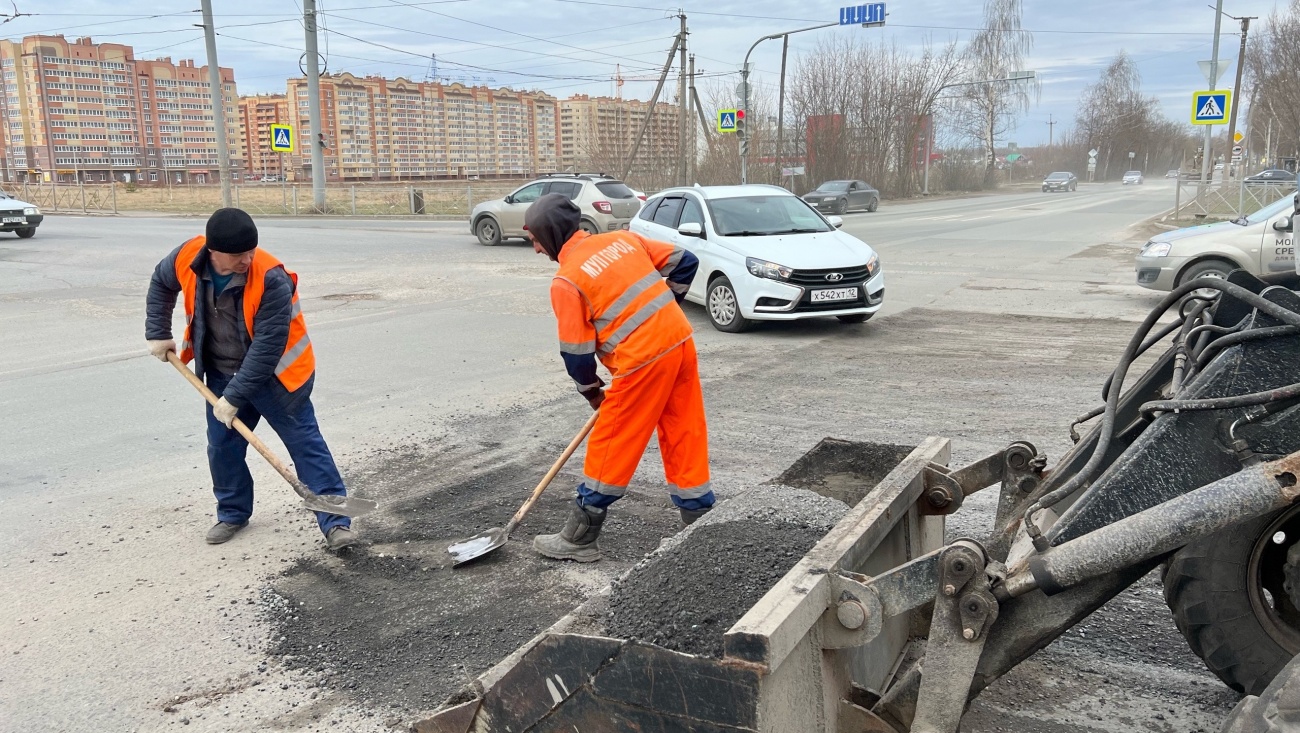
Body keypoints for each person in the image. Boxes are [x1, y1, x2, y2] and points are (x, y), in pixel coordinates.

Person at [145, 208, 357, 551]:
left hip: (277, 377)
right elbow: (160, 282)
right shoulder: (188, 256)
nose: (247, 259)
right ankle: (232, 513)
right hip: (219, 371)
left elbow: (268, 347)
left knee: (306, 447)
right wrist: (157, 332)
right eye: (237, 254)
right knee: (223, 448)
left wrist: (233, 398)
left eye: (251, 251)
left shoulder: (272, 277)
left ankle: (336, 524)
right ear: (213, 251)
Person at [525, 193, 713, 563]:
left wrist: (592, 393)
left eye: (534, 240)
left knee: (613, 440)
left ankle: (580, 537)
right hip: (679, 342)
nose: (534, 249)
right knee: (683, 431)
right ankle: (701, 525)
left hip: (642, 361)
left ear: (549, 235)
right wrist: (667, 307)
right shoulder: (623, 239)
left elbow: (576, 355)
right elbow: (685, 262)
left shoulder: (567, 282)